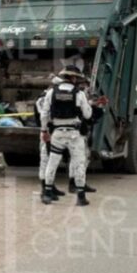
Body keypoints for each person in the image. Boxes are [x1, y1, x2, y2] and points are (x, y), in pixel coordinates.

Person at [36, 67, 97, 206]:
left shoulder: (51, 93)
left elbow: (44, 114)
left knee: (52, 162)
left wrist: (44, 131)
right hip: (74, 134)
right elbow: (87, 114)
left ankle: (47, 193)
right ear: (74, 78)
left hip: (57, 134)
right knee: (79, 163)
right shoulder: (79, 94)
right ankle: (81, 197)